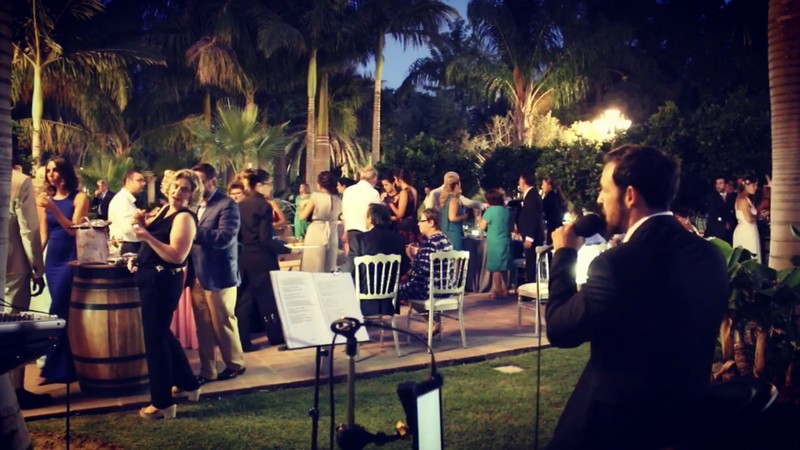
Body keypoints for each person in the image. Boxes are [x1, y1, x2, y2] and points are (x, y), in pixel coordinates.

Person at [545, 144, 729, 450]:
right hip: (684, 421)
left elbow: (560, 329)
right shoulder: (710, 255)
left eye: (605, 190)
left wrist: (564, 255)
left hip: (616, 427)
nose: (599, 199)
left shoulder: (615, 265)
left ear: (630, 195)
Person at [132, 169, 203, 420]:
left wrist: (146, 235)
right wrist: (142, 235)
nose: (178, 191)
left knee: (155, 341)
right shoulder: (165, 210)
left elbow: (176, 255)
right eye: (175, 186)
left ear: (192, 194)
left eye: (185, 189)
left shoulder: (184, 218)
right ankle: (188, 384)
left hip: (162, 283)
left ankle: (162, 403)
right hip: (151, 279)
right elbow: (153, 243)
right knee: (162, 334)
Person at [36, 156, 89, 384]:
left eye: (55, 170)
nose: (51, 175)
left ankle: (51, 369)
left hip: (71, 258)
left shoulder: (80, 197)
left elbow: (73, 230)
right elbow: (43, 233)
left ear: (65, 172)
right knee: (62, 314)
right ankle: (66, 369)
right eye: (48, 171)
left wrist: (54, 209)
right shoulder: (45, 200)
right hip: (53, 261)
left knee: (57, 311)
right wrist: (35, 262)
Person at [190, 163, 245, 384]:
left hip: (220, 274)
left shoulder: (227, 204)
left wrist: (191, 229)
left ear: (212, 182)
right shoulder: (193, 205)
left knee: (223, 323)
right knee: (202, 325)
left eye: (200, 182)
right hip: (197, 274)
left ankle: (235, 364)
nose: (196, 187)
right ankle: (207, 370)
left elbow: (225, 238)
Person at [5, 168, 50, 408]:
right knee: (13, 328)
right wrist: (37, 268)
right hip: (13, 266)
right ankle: (14, 391)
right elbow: (29, 230)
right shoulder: (19, 182)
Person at [235, 169, 288, 351]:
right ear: (259, 185)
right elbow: (265, 238)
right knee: (268, 300)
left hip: (244, 257)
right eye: (268, 184)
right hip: (261, 258)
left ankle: (242, 341)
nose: (270, 187)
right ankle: (276, 337)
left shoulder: (240, 204)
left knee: (245, 301)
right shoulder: (263, 205)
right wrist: (285, 249)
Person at [343, 204, 410, 316]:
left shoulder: (360, 239)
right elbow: (403, 268)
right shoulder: (398, 239)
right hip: (389, 300)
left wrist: (337, 271)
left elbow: (349, 269)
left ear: (370, 218)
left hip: (364, 299)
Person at [398, 208, 453, 307]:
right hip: (446, 290)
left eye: (421, 221)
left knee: (392, 290)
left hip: (426, 291)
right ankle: (429, 316)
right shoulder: (446, 240)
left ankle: (382, 315)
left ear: (431, 223)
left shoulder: (429, 243)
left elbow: (422, 270)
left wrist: (412, 258)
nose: (418, 224)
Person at [300, 171, 342, 272]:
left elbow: (302, 216)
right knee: (329, 264)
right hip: (332, 232)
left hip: (317, 230)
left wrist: (302, 206)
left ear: (319, 184)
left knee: (313, 264)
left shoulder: (315, 196)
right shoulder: (338, 199)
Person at [478, 189, 513, 299]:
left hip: (494, 242)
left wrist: (478, 218)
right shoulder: (508, 211)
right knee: (504, 267)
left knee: (496, 268)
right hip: (506, 241)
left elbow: (482, 226)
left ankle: (497, 291)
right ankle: (506, 289)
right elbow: (512, 228)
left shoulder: (490, 211)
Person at [341, 166, 381, 252]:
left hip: (351, 229)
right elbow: (375, 214)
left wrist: (345, 230)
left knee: (353, 256)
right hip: (367, 230)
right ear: (374, 178)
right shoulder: (374, 193)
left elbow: (345, 213)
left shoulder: (348, 191)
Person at [108, 169, 147, 255]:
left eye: (144, 181)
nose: (143, 184)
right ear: (128, 181)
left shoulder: (127, 200)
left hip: (130, 244)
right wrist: (144, 222)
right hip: (127, 246)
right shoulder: (121, 200)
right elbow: (128, 228)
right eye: (139, 180)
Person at [516, 171, 545, 283]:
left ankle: (531, 285)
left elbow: (532, 217)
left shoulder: (532, 196)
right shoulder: (530, 195)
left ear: (524, 181)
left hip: (532, 236)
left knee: (531, 263)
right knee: (530, 262)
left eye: (520, 180)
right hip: (529, 234)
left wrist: (529, 237)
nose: (519, 182)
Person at [732, 175, 761, 260]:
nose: (756, 188)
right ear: (747, 185)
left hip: (751, 230)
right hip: (746, 233)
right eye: (754, 185)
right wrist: (759, 216)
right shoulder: (743, 200)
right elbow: (749, 219)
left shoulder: (746, 198)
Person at [389, 168, 419, 244]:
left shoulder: (404, 192)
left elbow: (400, 214)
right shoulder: (413, 190)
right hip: (413, 224)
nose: (395, 182)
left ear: (400, 180)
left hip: (405, 226)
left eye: (395, 179)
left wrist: (391, 204)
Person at [439, 173, 467, 251]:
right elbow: (452, 217)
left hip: (445, 230)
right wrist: (464, 216)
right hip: (453, 232)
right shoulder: (453, 200)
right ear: (457, 186)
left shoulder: (445, 199)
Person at [704, 176, 736, 243]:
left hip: (729, 231)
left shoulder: (732, 197)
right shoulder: (711, 197)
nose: (718, 186)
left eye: (720, 183)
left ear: (726, 184)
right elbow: (715, 212)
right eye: (717, 183)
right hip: (716, 230)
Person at [541, 176, 567, 244]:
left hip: (552, 229)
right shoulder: (558, 197)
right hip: (559, 228)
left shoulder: (548, 199)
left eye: (543, 184)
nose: (542, 187)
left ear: (549, 186)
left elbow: (543, 212)